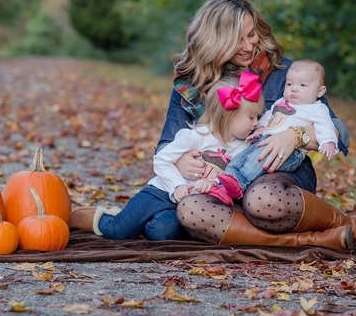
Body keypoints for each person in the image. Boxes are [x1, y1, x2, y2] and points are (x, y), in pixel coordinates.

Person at [167, 0, 356, 250]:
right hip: (219, 179)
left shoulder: (286, 72)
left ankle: (352, 224)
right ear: (215, 40)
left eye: (252, 34)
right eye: (238, 40)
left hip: (279, 175)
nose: (249, 45)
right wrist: (180, 160)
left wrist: (296, 135)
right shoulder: (191, 85)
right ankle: (314, 240)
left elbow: (339, 130)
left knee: (261, 199)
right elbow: (166, 144)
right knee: (189, 210)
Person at [69, 73, 265, 240]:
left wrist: (212, 183)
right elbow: (161, 159)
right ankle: (105, 218)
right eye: (251, 117)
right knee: (119, 231)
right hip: (162, 191)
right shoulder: (197, 136)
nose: (257, 122)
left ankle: (146, 222)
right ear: (227, 115)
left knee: (160, 233)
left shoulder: (243, 148)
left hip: (190, 207)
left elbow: (234, 178)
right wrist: (177, 185)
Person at [213, 58, 339, 204]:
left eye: (303, 85)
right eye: (289, 84)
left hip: (289, 153)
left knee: (256, 162)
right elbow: (268, 117)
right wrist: (260, 128)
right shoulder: (281, 102)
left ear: (320, 91)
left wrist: (328, 141)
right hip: (265, 141)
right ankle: (223, 184)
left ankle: (239, 183)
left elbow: (326, 125)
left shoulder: (316, 109)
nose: (294, 88)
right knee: (241, 158)